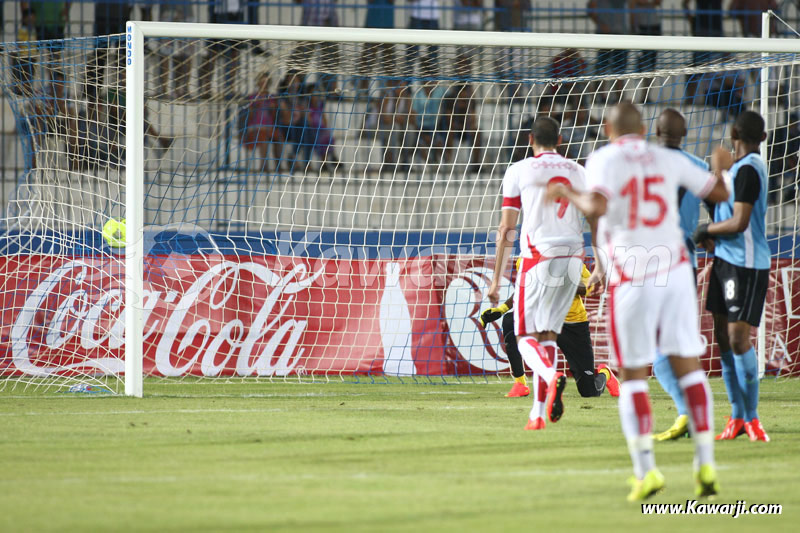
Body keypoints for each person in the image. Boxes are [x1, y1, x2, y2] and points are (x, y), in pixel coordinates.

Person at [548, 102, 729, 501]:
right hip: (675, 270)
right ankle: (705, 464)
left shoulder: (604, 158)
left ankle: (646, 471)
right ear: (644, 128)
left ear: (609, 128)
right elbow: (719, 192)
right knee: (689, 368)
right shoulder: (668, 158)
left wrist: (567, 192)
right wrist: (722, 163)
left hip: (633, 275)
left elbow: (596, 206)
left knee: (632, 376)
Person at [487, 116, 591, 431]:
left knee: (523, 338)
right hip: (573, 261)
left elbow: (507, 227)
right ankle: (537, 415)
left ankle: (550, 376)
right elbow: (595, 213)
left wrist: (495, 279)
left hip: (538, 259)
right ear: (560, 140)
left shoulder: (519, 170)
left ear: (531, 140)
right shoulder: (580, 171)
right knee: (547, 337)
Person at [693, 110, 771, 442]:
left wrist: (705, 230)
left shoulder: (750, 170)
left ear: (733, 133)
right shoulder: (733, 171)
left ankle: (752, 418)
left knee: (739, 339)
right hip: (725, 262)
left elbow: (739, 222)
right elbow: (721, 210)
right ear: (762, 137)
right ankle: (737, 417)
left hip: (748, 265)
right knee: (724, 339)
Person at [480, 260, 620, 401]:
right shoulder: (527, 259)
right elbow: (523, 288)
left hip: (572, 323)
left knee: (588, 391)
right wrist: (502, 309)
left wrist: (561, 285)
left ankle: (605, 373)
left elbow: (590, 288)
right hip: (542, 320)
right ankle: (520, 383)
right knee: (510, 320)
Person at [650, 108, 707, 441]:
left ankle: (688, 413)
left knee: (654, 349)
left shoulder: (639, 165)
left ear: (655, 131)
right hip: (686, 264)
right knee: (677, 344)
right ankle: (693, 412)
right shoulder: (698, 167)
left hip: (650, 263)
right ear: (684, 133)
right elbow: (721, 205)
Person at [292, 0, 341, 92]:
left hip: (329, 23)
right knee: (300, 60)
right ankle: (294, 90)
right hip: (309, 23)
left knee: (331, 61)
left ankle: (331, 91)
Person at [241, 71, 285, 172]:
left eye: (266, 82)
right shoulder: (252, 97)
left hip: (269, 127)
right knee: (263, 139)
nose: (263, 84)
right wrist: (255, 106)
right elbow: (248, 116)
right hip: (255, 127)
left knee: (279, 138)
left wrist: (274, 108)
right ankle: (263, 166)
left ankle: (278, 165)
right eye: (262, 81)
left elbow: (276, 116)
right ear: (258, 83)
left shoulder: (272, 97)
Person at [587, 0, 628, 103]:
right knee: (602, 68)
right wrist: (601, 24)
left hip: (621, 35)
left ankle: (619, 98)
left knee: (619, 70)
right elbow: (590, 8)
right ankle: (601, 97)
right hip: (605, 35)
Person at [442, 84, 483, 172]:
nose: (464, 99)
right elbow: (450, 122)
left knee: (477, 132)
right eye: (462, 97)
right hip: (451, 128)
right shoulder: (449, 101)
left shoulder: (470, 101)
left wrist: (467, 107)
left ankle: (475, 164)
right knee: (450, 131)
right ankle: (448, 162)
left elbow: (472, 120)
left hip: (465, 129)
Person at [629, 0, 661, 102]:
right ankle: (642, 95)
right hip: (641, 28)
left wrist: (643, 3)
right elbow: (632, 4)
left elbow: (658, 2)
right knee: (643, 65)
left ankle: (646, 96)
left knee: (651, 66)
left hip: (654, 27)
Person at [406, 0, 441, 77]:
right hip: (416, 17)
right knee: (411, 55)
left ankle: (432, 86)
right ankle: (407, 85)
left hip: (433, 18)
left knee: (433, 58)